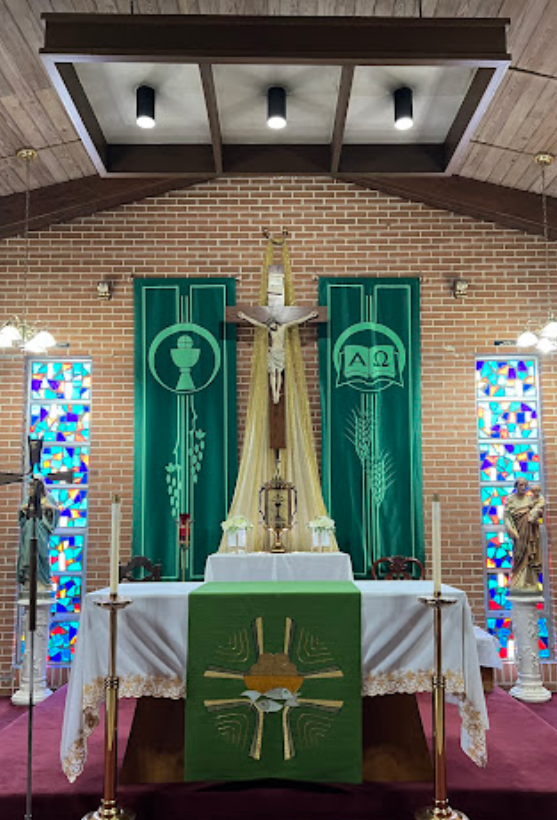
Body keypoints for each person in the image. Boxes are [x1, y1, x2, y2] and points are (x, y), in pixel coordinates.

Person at [238, 309, 318, 404]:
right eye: (269, 326)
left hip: (280, 353)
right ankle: (274, 393)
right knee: (272, 373)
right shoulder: (269, 329)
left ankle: (278, 391)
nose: (271, 327)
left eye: (271, 325)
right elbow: (256, 323)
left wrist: (310, 316)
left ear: (275, 323)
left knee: (279, 373)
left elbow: (296, 321)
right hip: (272, 352)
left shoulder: (283, 327)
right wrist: (244, 317)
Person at [17, 475, 60, 590]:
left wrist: (48, 508)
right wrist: (23, 510)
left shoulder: (48, 498)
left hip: (41, 531)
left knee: (42, 554)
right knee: (27, 554)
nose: (31, 489)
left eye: (34, 486)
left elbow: (56, 512)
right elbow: (21, 515)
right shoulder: (28, 499)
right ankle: (28, 579)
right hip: (29, 531)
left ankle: (43, 581)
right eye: (30, 486)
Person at [504, 477, 544, 591]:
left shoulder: (529, 499)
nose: (523, 488)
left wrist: (538, 514)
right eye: (520, 485)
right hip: (518, 532)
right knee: (519, 554)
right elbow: (506, 516)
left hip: (530, 532)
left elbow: (538, 512)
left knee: (529, 554)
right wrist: (510, 529)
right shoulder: (510, 499)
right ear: (516, 486)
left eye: (525, 485)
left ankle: (528, 581)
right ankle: (517, 581)